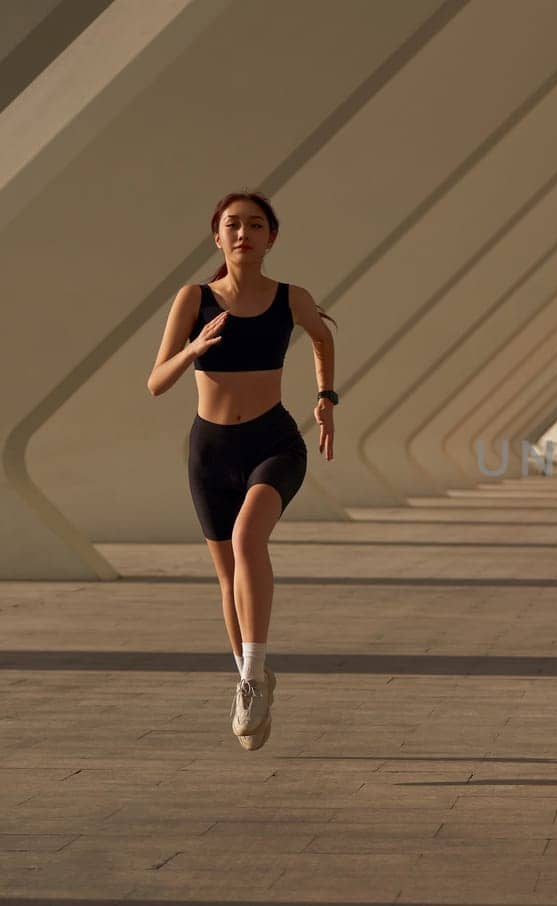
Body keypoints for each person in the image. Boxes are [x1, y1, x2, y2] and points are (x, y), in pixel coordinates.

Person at [147, 191, 338, 751]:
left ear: (271, 238)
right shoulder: (194, 299)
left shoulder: (290, 297)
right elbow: (156, 382)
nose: (243, 234)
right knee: (227, 573)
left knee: (248, 538)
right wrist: (194, 348)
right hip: (210, 451)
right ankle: (248, 677)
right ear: (217, 236)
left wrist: (326, 397)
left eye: (256, 225)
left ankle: (253, 676)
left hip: (273, 441)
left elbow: (322, 336)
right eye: (232, 225)